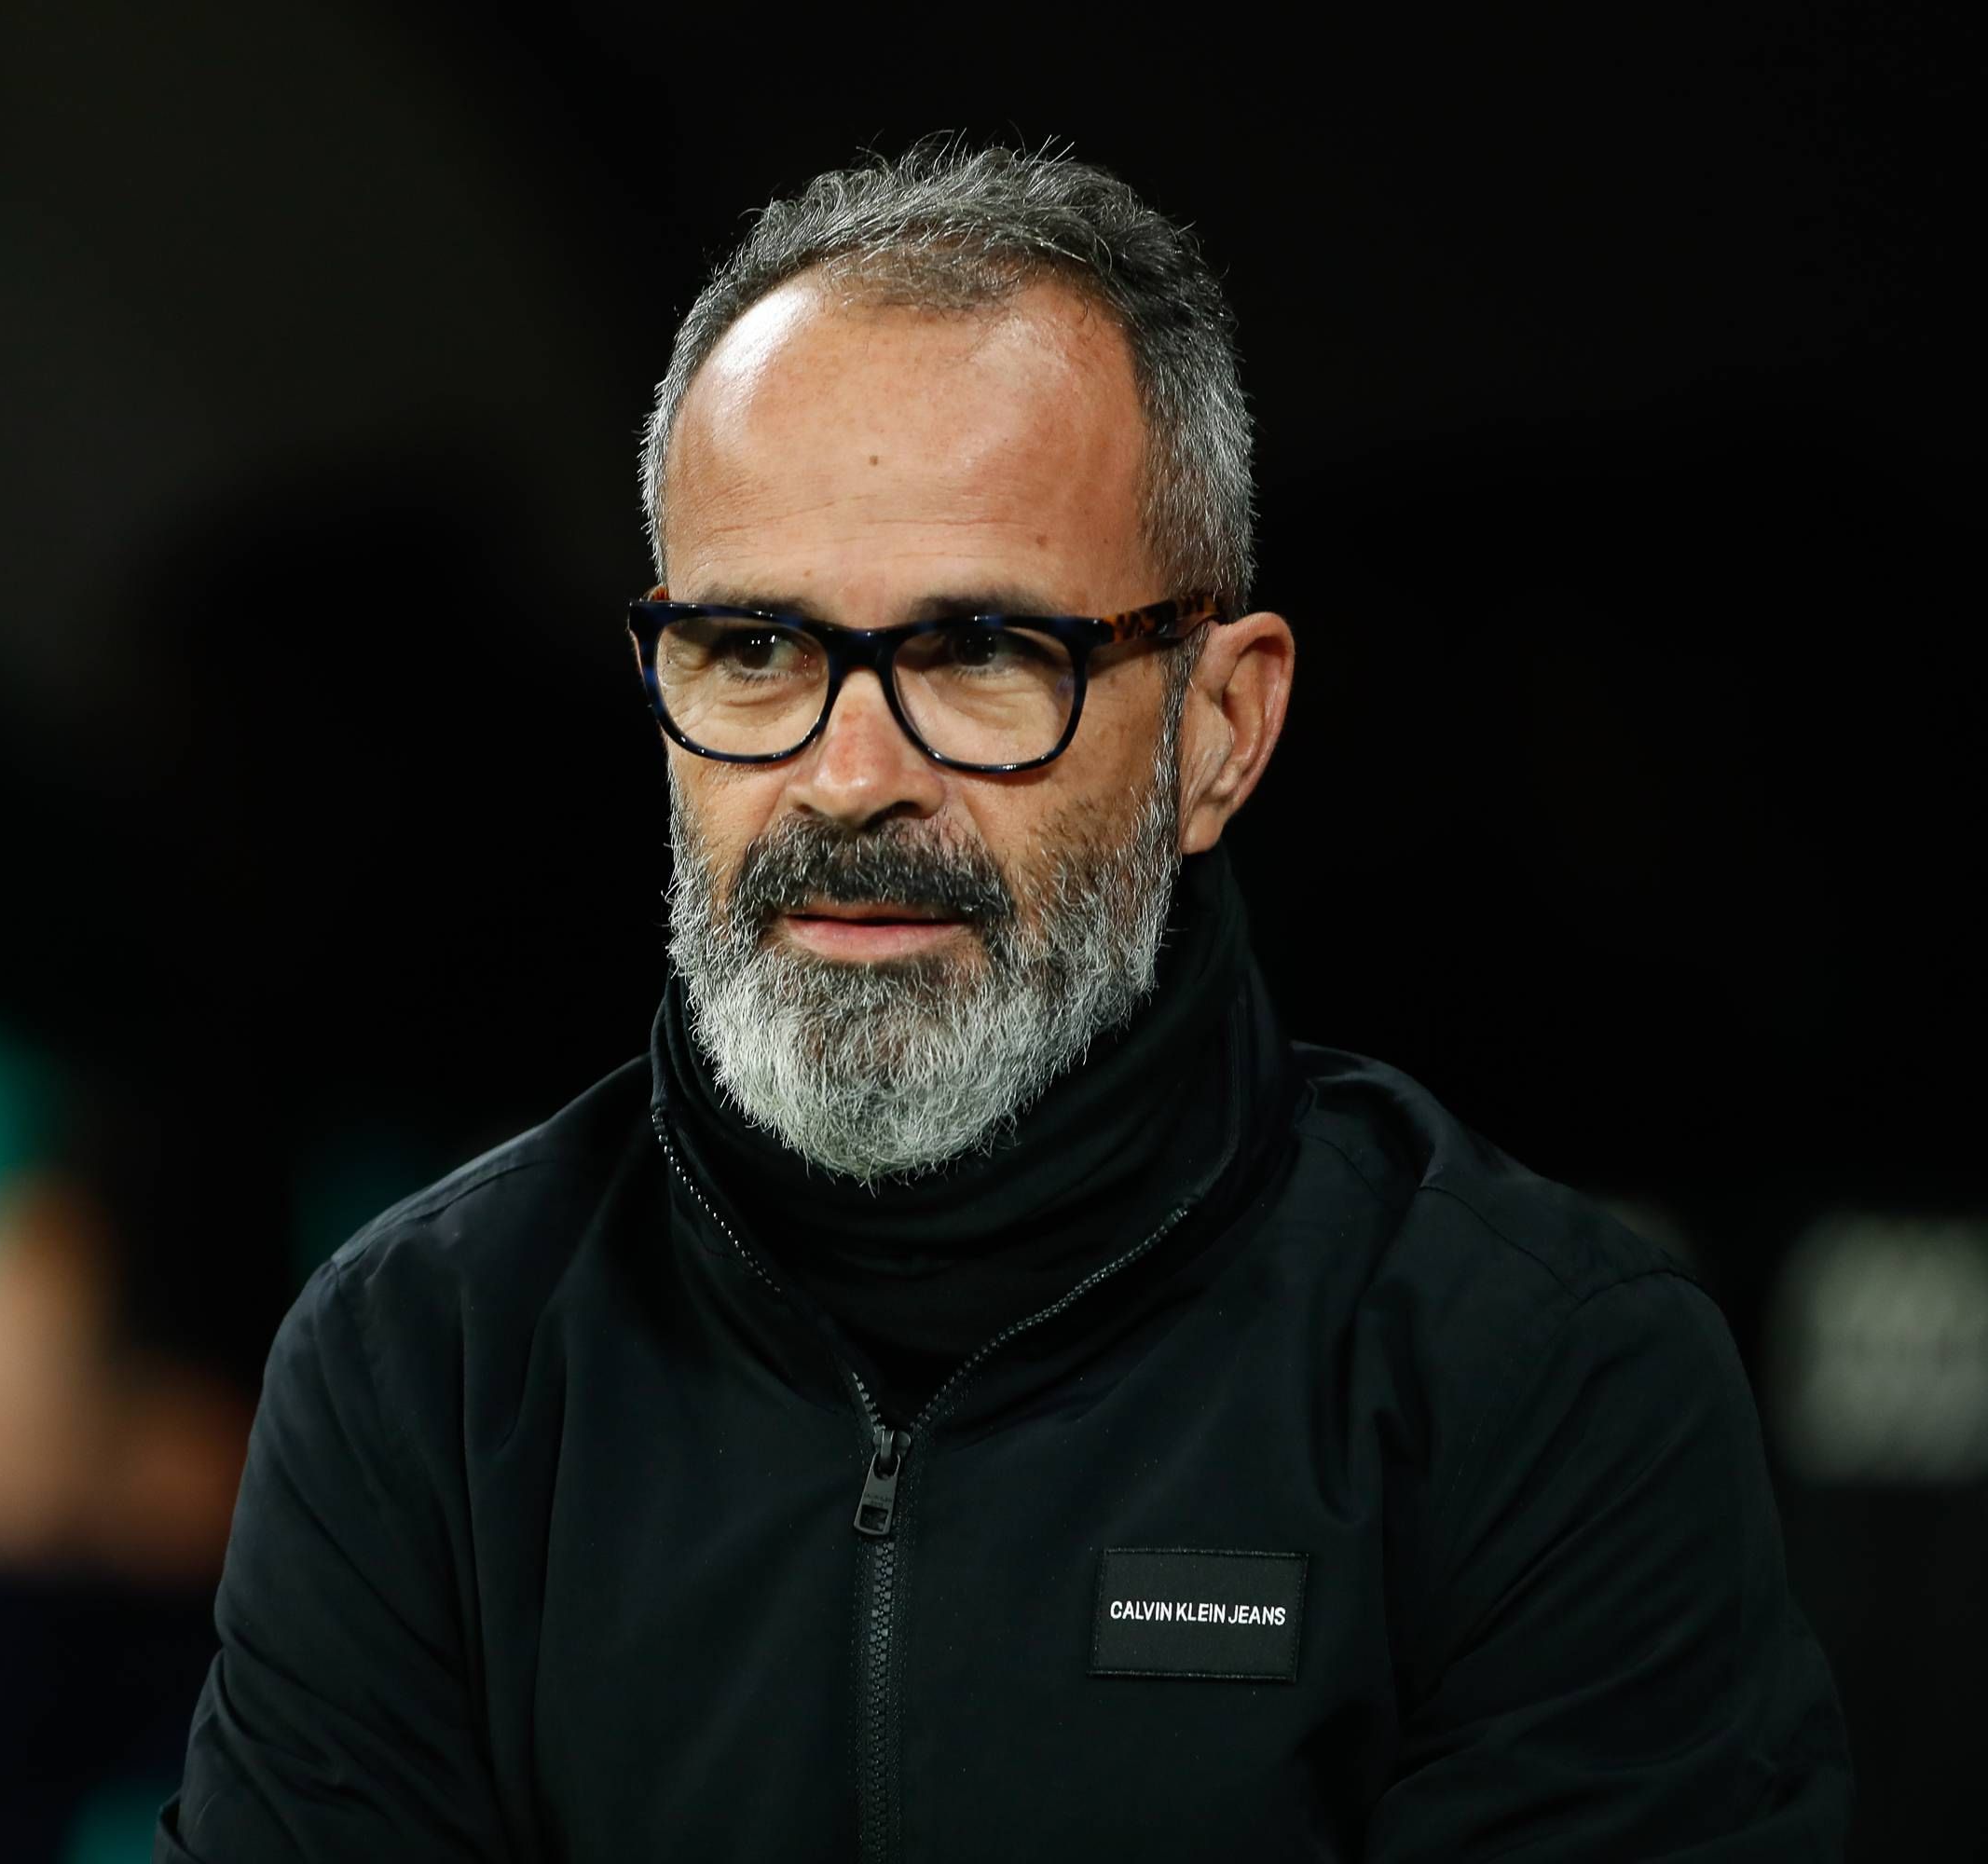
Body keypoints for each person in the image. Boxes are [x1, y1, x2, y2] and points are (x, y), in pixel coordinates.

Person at [163, 143, 1850, 1860]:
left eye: (982, 652)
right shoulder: (428, 1363)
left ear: (1219, 728)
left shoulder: (1539, 1386)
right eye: (754, 649)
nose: (847, 776)